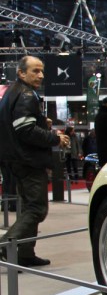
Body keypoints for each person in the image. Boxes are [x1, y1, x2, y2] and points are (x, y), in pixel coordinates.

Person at [0, 56, 70, 267]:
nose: (40, 75)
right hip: (28, 161)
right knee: (37, 209)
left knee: (28, 206)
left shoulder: (11, 93)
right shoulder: (27, 95)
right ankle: (6, 244)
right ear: (21, 73)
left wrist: (41, 121)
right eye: (35, 71)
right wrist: (56, 138)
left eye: (41, 71)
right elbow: (25, 130)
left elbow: (18, 124)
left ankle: (25, 254)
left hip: (15, 160)